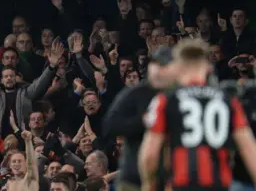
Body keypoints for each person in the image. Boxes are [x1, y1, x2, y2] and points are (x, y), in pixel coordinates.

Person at [139, 39, 256, 191]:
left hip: (181, 185)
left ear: (178, 68)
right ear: (208, 68)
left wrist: (149, 185)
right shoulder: (228, 101)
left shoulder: (165, 101)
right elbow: (249, 149)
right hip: (219, 185)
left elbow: (150, 154)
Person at [102, 46, 176, 191]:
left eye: (165, 66)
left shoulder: (180, 94)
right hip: (134, 177)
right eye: (156, 65)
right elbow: (109, 126)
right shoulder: (136, 93)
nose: (160, 70)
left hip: (171, 177)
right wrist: (143, 121)